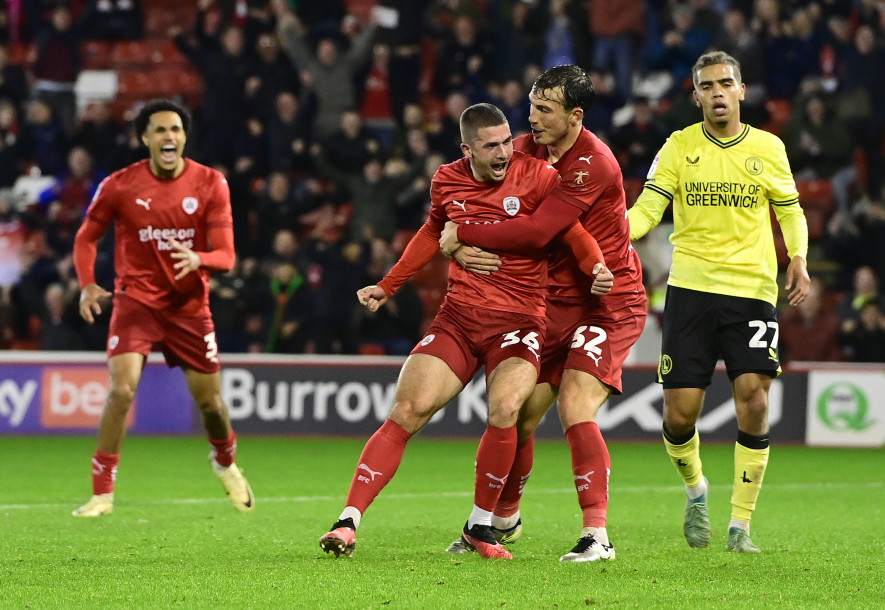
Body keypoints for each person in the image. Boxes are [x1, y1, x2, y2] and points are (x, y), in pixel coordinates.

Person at [318, 103, 611, 560]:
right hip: (459, 319)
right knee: (407, 410)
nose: (503, 152)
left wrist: (597, 267)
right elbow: (431, 232)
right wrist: (388, 284)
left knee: (506, 409)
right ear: (467, 149)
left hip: (518, 323)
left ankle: (480, 526)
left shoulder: (536, 176)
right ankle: (347, 521)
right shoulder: (446, 180)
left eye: (507, 141)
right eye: (491, 145)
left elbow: (572, 233)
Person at [439, 65, 647, 562]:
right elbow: (470, 197)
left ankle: (597, 536)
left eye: (544, 110)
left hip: (607, 299)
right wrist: (453, 239)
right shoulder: (525, 151)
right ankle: (502, 517)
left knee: (575, 404)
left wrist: (463, 235)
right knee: (519, 413)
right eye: (531, 105)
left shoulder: (593, 163)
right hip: (552, 298)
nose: (530, 118)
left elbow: (534, 231)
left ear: (575, 116)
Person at [628, 51, 810, 553]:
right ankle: (696, 490)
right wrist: (611, 237)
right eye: (707, 86)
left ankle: (740, 524)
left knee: (753, 396)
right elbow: (647, 209)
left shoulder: (769, 148)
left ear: (742, 90)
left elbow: (790, 211)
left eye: (725, 83)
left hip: (751, 290)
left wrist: (798, 257)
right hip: (690, 289)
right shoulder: (679, 146)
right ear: (697, 96)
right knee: (681, 413)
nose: (717, 92)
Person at [70, 99, 254, 517]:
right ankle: (102, 493)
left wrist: (198, 259)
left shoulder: (211, 184)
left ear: (184, 137)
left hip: (189, 307)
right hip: (135, 302)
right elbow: (86, 238)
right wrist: (87, 285)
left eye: (175, 129)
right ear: (145, 138)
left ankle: (225, 461)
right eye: (160, 130)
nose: (169, 136)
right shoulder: (119, 185)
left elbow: (226, 256)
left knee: (210, 404)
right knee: (121, 390)